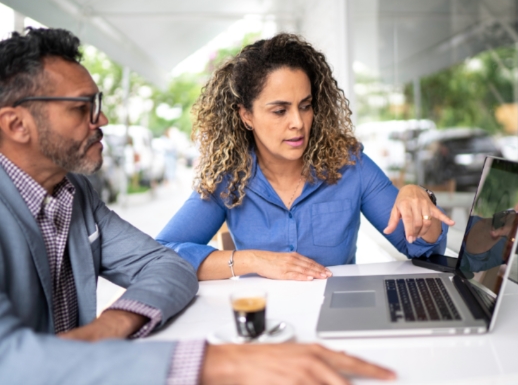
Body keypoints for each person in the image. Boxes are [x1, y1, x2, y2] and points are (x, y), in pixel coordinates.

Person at [0, 28, 395, 384]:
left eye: (305, 106)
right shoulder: (231, 176)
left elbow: (165, 265)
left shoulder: (75, 195)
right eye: (80, 107)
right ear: (16, 124)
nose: (101, 117)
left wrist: (108, 328)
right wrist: (212, 360)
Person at [157, 33, 455, 281]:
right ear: (246, 115)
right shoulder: (229, 177)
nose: (298, 123)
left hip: (340, 320)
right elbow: (162, 254)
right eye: (279, 110)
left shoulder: (350, 165)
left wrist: (419, 200)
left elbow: (421, 250)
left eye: (305, 105)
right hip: (266, 327)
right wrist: (254, 261)